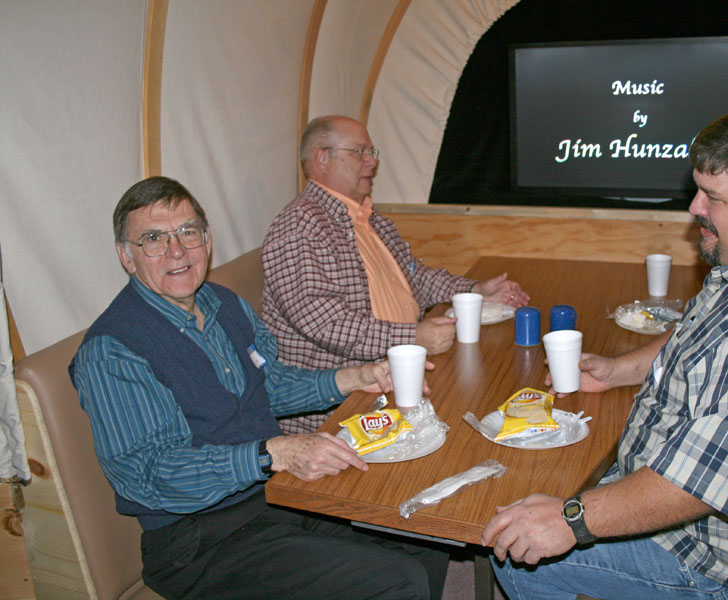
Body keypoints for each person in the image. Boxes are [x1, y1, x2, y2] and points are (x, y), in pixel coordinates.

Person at [482, 106, 728, 600]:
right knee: (538, 482)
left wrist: (571, 519)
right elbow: (700, 327)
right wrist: (620, 370)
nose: (695, 208)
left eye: (714, 198)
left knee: (521, 558)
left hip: (712, 564)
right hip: (687, 509)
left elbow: (700, 485)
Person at [70, 176, 447, 600]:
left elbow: (269, 385)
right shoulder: (114, 350)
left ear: (206, 239)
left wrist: (353, 377)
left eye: (187, 232)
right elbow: (147, 475)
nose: (176, 251)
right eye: (153, 239)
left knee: (421, 537)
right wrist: (272, 454)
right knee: (394, 580)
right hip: (198, 540)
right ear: (127, 256)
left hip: (273, 497)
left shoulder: (222, 304)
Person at [262, 115, 530, 434]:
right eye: (360, 152)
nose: (371, 162)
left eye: (372, 152)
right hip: (342, 409)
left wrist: (475, 289)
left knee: (494, 400)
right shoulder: (300, 228)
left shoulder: (368, 218)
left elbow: (415, 279)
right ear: (322, 158)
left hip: (400, 372)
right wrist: (413, 337)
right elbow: (325, 323)